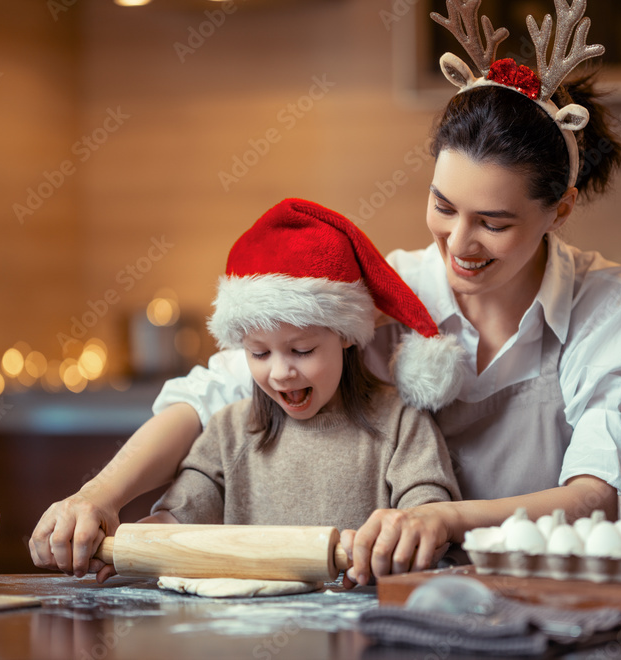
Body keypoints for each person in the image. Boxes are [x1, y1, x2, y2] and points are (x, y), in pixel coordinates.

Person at [30, 0, 621, 587]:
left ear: (561, 209)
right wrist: (98, 496)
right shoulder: (380, 292)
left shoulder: (617, 308)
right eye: (443, 206)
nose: (458, 242)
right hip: (431, 598)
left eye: (493, 223)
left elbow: (598, 496)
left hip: (571, 589)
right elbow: (216, 395)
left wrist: (441, 517)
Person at [33, 198, 464, 583]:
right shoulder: (230, 430)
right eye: (259, 354)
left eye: (302, 349)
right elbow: (185, 511)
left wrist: (397, 538)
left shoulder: (401, 422)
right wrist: (143, 547)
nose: (280, 373)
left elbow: (426, 506)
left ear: (346, 335)